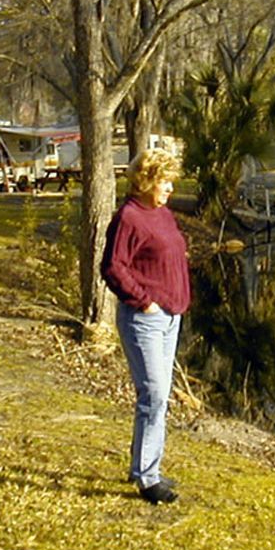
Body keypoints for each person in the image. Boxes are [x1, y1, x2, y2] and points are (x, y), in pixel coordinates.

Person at [102, 147, 191, 504]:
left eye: (171, 180)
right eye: (164, 181)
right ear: (146, 180)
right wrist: (146, 301)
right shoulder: (130, 217)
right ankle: (147, 478)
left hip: (172, 316)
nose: (169, 187)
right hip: (145, 320)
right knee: (152, 395)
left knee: (160, 395)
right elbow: (113, 267)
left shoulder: (162, 214)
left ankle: (146, 466)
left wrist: (173, 303)